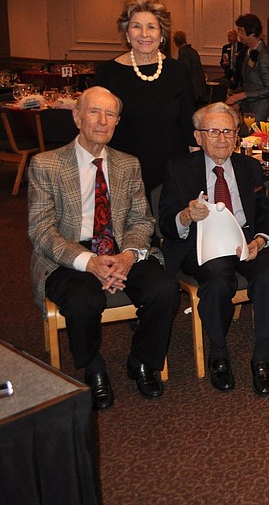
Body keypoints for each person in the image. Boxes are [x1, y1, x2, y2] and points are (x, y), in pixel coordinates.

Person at [28, 86, 179, 410]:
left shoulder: (127, 165)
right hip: (68, 253)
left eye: (110, 114)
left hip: (120, 246)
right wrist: (89, 262)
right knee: (85, 300)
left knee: (165, 289)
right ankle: (93, 366)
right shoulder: (46, 164)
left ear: (117, 121)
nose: (102, 120)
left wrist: (127, 256)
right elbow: (41, 230)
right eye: (94, 112)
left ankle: (142, 360)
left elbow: (142, 220)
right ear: (77, 116)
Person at [158, 102, 269, 397]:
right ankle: (219, 351)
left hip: (244, 240)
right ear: (198, 137)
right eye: (213, 131)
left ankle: (262, 355)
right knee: (217, 279)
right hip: (201, 243)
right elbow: (165, 221)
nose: (223, 138)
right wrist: (186, 215)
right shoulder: (178, 168)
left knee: (268, 276)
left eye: (228, 131)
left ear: (237, 136)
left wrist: (261, 240)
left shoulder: (249, 166)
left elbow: (265, 213)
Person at [94, 0, 196, 194]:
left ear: (162, 33)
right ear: (126, 33)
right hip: (123, 175)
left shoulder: (179, 72)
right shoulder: (108, 74)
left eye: (151, 26)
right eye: (136, 26)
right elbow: (97, 127)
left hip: (171, 175)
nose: (144, 34)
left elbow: (188, 127)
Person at [225, 14, 269, 122]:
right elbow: (248, 84)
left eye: (241, 32)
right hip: (249, 108)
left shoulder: (264, 55)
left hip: (262, 111)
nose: (239, 35)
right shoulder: (247, 51)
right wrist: (238, 103)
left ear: (252, 34)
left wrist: (241, 96)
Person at [173, 30, 207, 108]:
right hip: (200, 87)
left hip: (192, 88)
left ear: (176, 42)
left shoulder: (183, 52)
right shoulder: (193, 51)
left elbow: (185, 70)